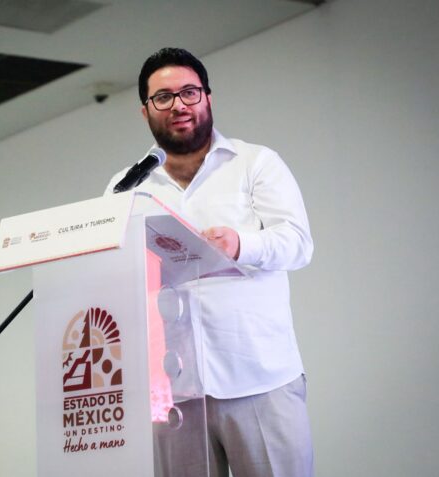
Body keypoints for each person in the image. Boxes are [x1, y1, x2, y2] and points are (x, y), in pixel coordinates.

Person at [106, 48, 314, 477]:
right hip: (172, 389)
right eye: (163, 97)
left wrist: (240, 244)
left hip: (258, 376)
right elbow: (108, 269)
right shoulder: (126, 186)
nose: (178, 105)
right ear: (145, 111)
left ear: (208, 97)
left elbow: (298, 243)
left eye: (189, 92)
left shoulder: (255, 163)